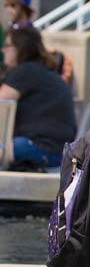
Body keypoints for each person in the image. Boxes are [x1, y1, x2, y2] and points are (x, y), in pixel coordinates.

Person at [0, 26, 76, 168]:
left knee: (4, 147)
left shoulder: (25, 71)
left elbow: (2, 104)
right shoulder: (43, 71)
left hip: (41, 148)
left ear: (20, 48)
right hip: (61, 151)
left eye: (7, 46)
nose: (2, 50)